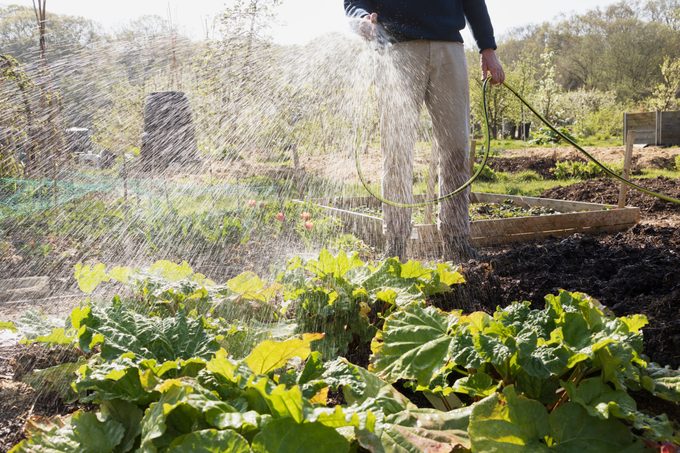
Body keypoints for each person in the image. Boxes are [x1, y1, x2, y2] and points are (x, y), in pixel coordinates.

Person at [345, 0, 505, 261]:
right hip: (396, 51)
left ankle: (456, 240)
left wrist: (488, 47)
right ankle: (396, 243)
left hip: (448, 47)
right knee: (396, 151)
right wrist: (362, 17)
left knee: (456, 148)